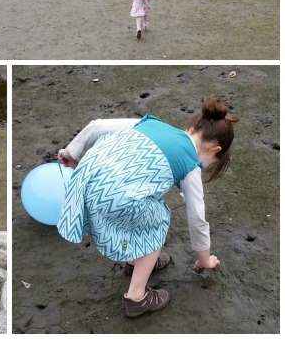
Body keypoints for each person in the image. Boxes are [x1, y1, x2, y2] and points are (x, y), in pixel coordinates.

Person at [57, 96, 239, 319]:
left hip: (85, 179)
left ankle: (136, 261)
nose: (205, 167)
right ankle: (136, 298)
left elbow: (97, 126)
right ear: (213, 149)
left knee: (142, 208)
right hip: (114, 195)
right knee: (157, 219)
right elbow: (197, 219)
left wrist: (71, 153)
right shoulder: (191, 164)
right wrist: (204, 259)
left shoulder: (150, 124)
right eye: (211, 164)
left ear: (191, 127)